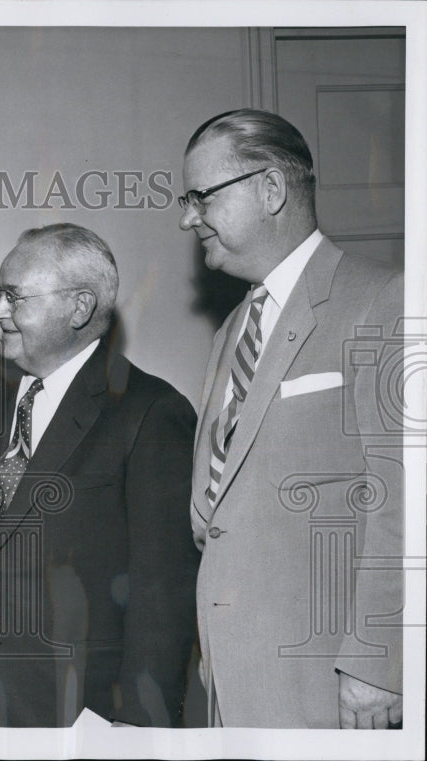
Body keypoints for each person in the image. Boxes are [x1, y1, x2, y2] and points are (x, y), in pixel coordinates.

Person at [179, 108, 404, 728]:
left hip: (333, 683)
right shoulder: (230, 331)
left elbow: (407, 499)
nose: (186, 217)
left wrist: (378, 663)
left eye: (201, 197)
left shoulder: (385, 300)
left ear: (271, 189)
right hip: (234, 682)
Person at [0, 223, 199, 727]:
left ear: (79, 307)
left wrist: (140, 724)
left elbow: (163, 592)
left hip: (78, 714)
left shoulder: (150, 412)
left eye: (13, 297)